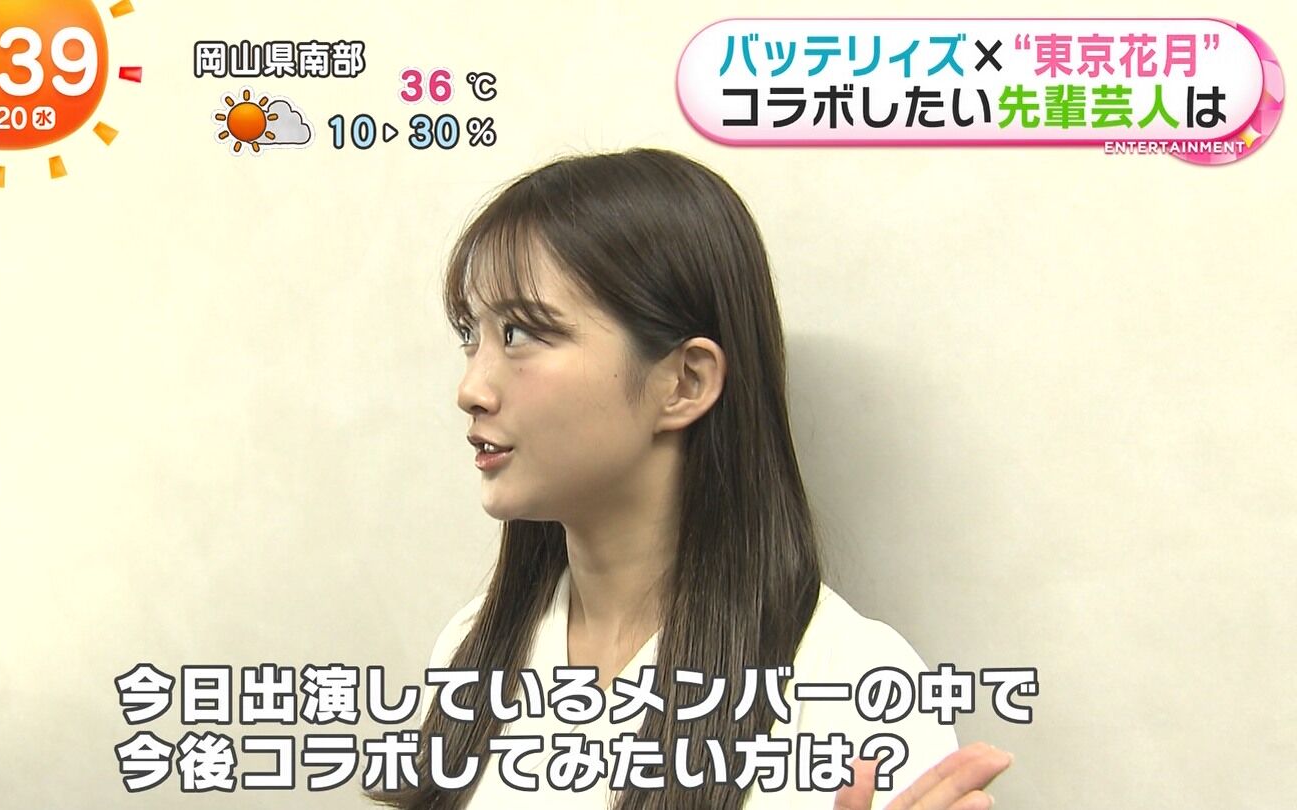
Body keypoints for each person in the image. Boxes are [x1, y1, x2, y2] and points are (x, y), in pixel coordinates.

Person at [368, 149, 1013, 809]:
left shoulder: (851, 686)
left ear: (685, 381)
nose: (471, 388)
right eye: (470, 334)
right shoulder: (476, 647)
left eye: (519, 332)